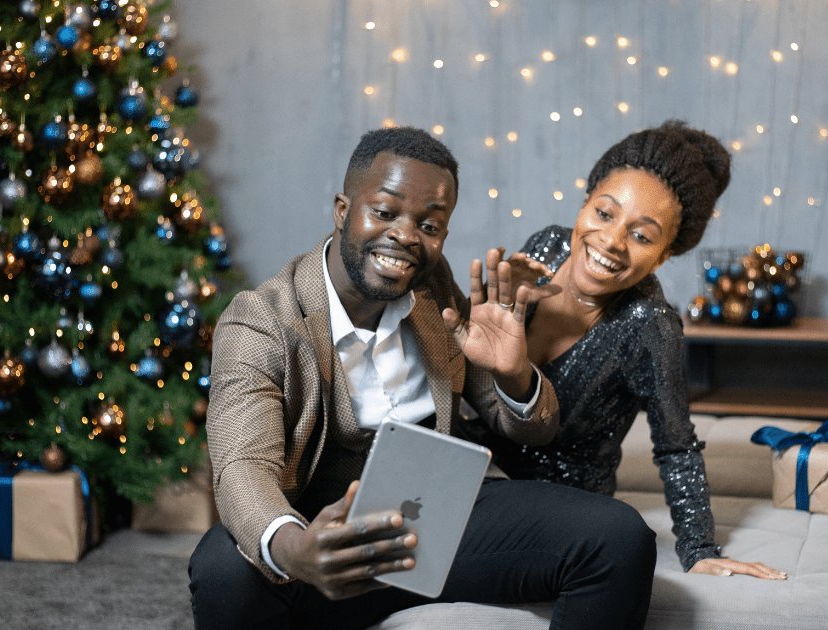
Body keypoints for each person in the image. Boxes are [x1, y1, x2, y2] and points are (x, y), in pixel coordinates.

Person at [188, 126, 659, 630]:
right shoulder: (262, 320)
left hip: (441, 510)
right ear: (343, 211)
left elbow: (529, 426)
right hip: (324, 525)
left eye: (430, 225)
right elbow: (242, 466)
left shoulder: (431, 286)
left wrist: (514, 372)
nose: (407, 236)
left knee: (619, 539)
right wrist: (295, 547)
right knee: (222, 570)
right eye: (385, 212)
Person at [477, 120, 786, 580]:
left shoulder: (650, 326)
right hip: (478, 468)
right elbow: (491, 368)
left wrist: (699, 548)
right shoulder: (546, 246)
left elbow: (676, 446)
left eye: (642, 236)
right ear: (585, 202)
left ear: (663, 256)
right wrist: (505, 306)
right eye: (604, 213)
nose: (611, 242)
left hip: (557, 500)